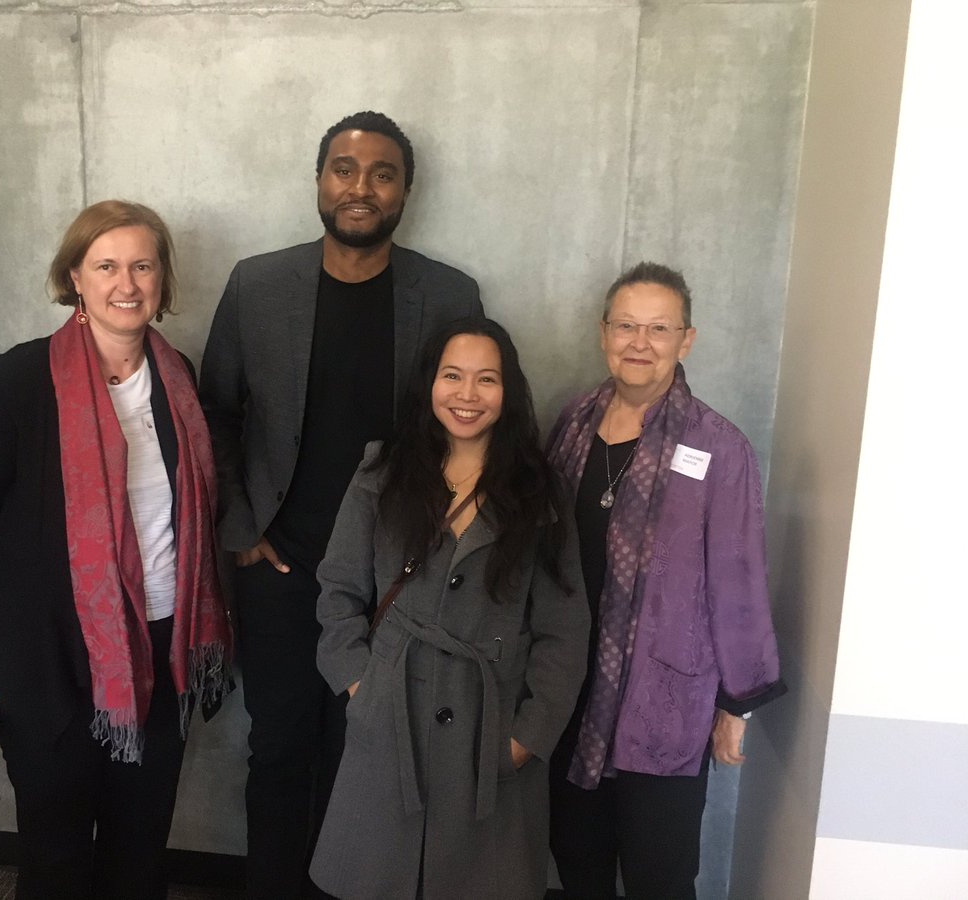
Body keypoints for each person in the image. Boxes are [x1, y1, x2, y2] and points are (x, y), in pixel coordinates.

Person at [199, 111, 483, 897]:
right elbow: (216, 412)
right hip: (281, 572)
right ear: (320, 180)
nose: (361, 187)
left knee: (371, 754)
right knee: (281, 751)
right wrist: (243, 528)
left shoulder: (449, 293)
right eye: (345, 169)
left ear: (405, 192)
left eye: (382, 173)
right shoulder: (256, 285)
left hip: (395, 581)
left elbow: (464, 422)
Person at [0, 200, 234, 899]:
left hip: (161, 648)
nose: (127, 282)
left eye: (143, 265)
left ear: (161, 279)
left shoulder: (179, 380)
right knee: (57, 860)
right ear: (76, 277)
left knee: (139, 855)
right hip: (44, 659)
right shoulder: (20, 382)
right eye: (107, 265)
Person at [308, 319, 588, 899]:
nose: (467, 395)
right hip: (390, 720)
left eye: (486, 380)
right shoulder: (382, 473)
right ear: (428, 383)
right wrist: (363, 687)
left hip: (492, 731)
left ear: (508, 391)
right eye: (452, 376)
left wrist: (526, 738)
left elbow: (565, 630)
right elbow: (338, 591)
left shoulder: (540, 490)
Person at [545, 262, 786, 899]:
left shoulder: (720, 448)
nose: (639, 342)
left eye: (658, 328)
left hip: (665, 698)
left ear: (687, 339)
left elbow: (739, 582)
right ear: (603, 332)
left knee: (660, 874)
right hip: (567, 686)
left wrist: (738, 703)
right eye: (626, 325)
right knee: (577, 860)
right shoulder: (571, 426)